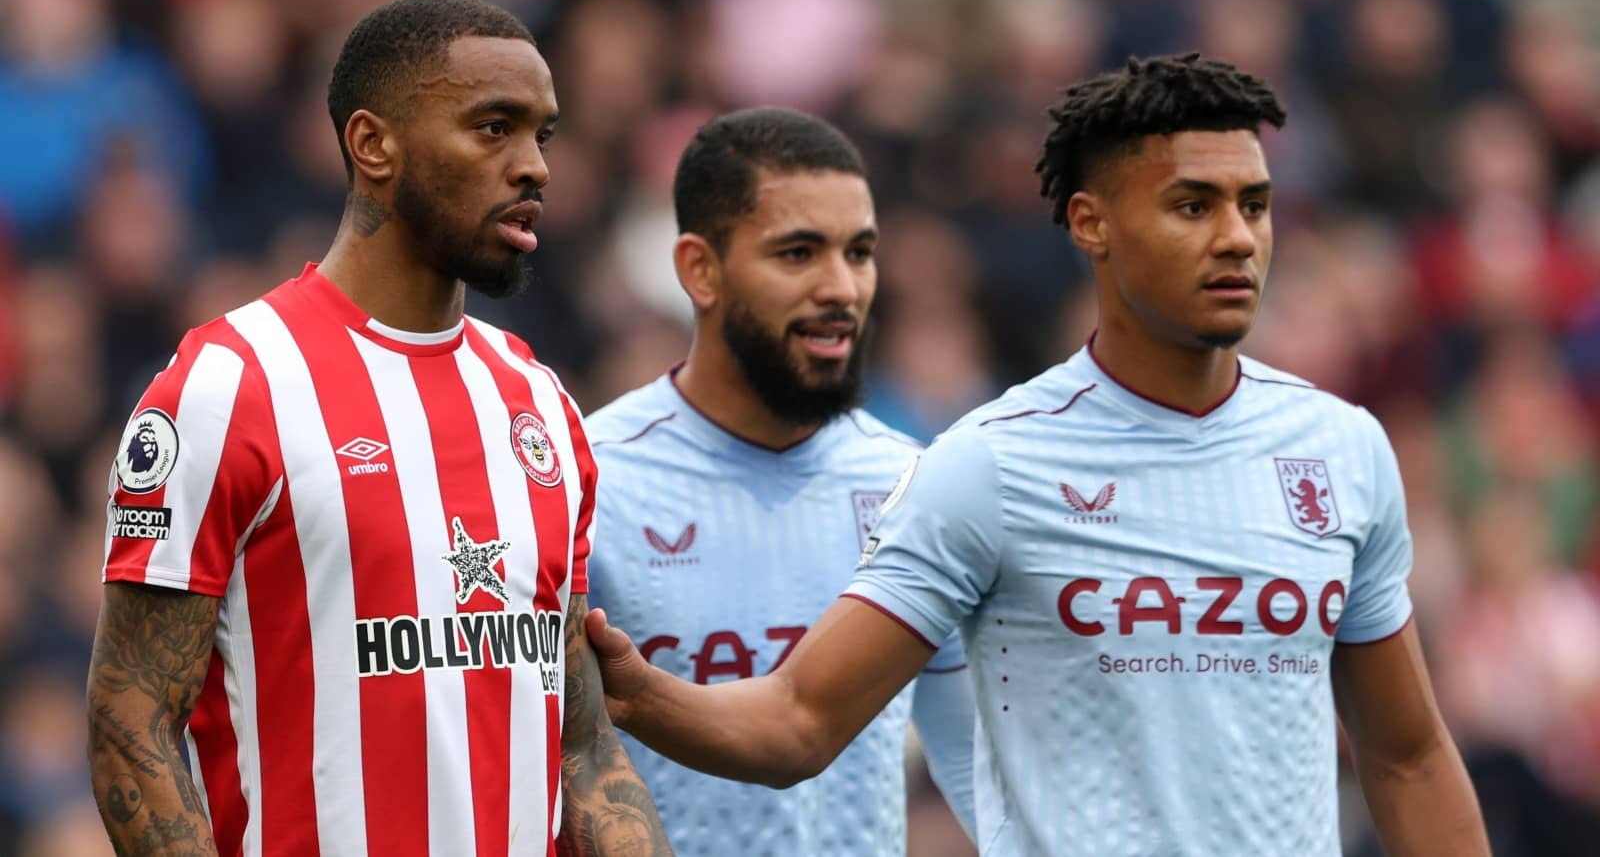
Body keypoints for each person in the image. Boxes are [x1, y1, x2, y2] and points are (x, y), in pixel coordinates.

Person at [584, 54, 1492, 856]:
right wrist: (636, 695)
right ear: (1091, 224)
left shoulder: (1343, 449)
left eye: (1254, 205)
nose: (1237, 237)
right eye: (1193, 204)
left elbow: (1408, 757)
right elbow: (801, 719)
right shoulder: (989, 466)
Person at [86, 0, 670, 857]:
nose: (534, 167)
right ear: (373, 144)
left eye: (541, 135)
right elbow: (129, 723)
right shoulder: (231, 384)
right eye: (493, 128)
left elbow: (579, 744)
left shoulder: (539, 400)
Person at [584, 107, 977, 855]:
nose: (842, 287)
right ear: (699, 269)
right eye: (799, 253)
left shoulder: (915, 484)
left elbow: (974, 766)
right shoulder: (590, 480)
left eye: (859, 253)